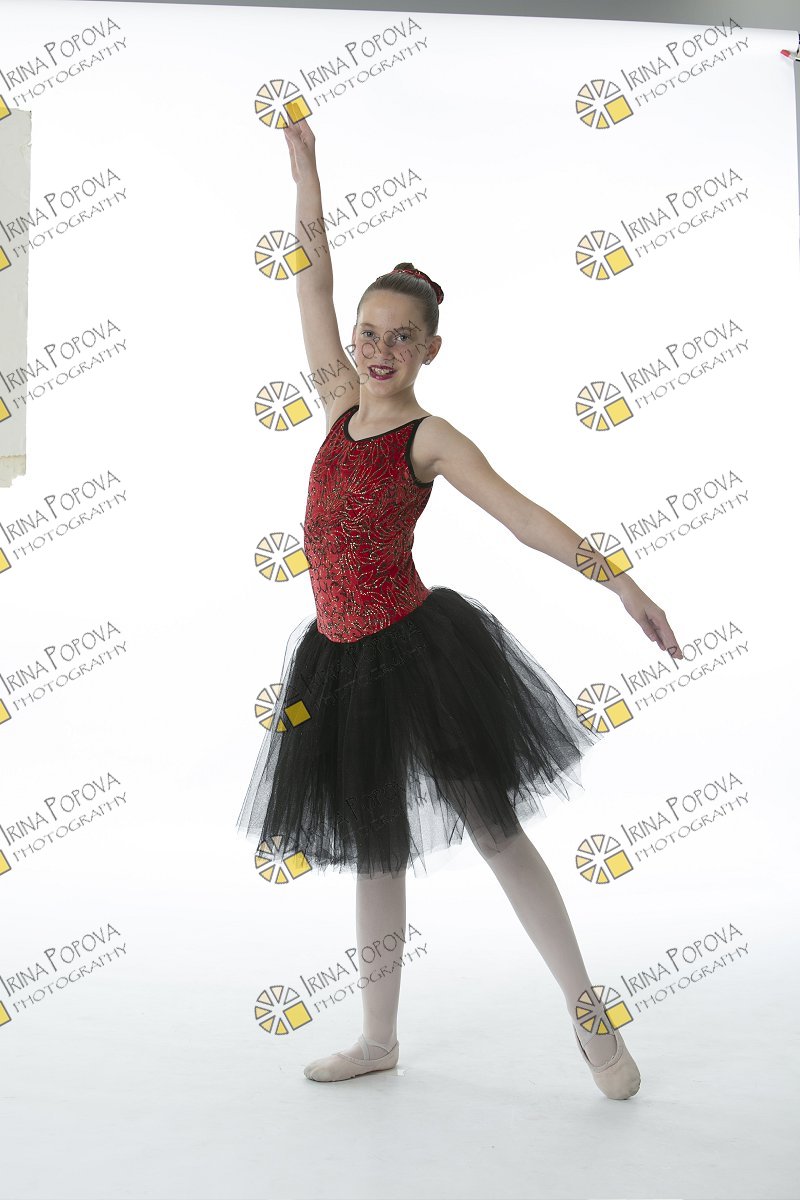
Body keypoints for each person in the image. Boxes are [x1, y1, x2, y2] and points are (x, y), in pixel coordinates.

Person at [236, 117, 683, 1101]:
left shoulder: (428, 439)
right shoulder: (335, 402)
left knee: (493, 830)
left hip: (416, 653)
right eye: (368, 333)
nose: (379, 348)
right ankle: (378, 1038)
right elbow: (310, 279)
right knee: (376, 850)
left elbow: (521, 517)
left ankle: (590, 1014)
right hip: (339, 658)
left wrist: (619, 580)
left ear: (430, 349)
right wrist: (307, 171)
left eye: (401, 337)